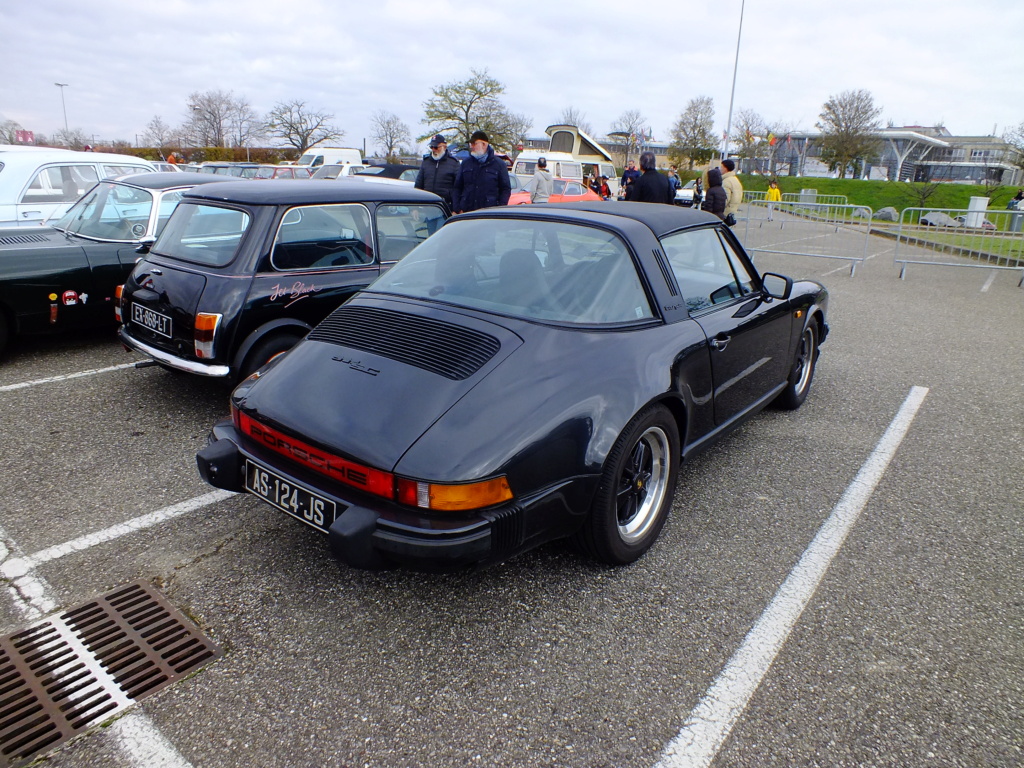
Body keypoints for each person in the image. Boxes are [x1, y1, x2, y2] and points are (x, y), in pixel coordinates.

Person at [452, 130, 511, 214]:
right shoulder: (466, 163)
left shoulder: (499, 164)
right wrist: (457, 208)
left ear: (484, 144)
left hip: (489, 214)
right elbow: (457, 187)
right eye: (470, 144)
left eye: (474, 143)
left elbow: (505, 189)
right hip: (467, 213)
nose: (471, 146)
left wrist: (499, 208)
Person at [414, 134, 460, 209]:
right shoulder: (426, 162)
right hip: (427, 206)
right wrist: (415, 208)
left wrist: (456, 209)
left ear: (444, 147)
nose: (433, 150)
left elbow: (458, 188)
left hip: (445, 207)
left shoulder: (454, 163)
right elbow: (418, 186)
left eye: (436, 147)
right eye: (431, 147)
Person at [721, 158, 743, 226]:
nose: (720, 169)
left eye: (721, 167)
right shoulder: (735, 180)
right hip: (733, 211)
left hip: (726, 213)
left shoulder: (726, 181)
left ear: (725, 168)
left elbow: (725, 199)